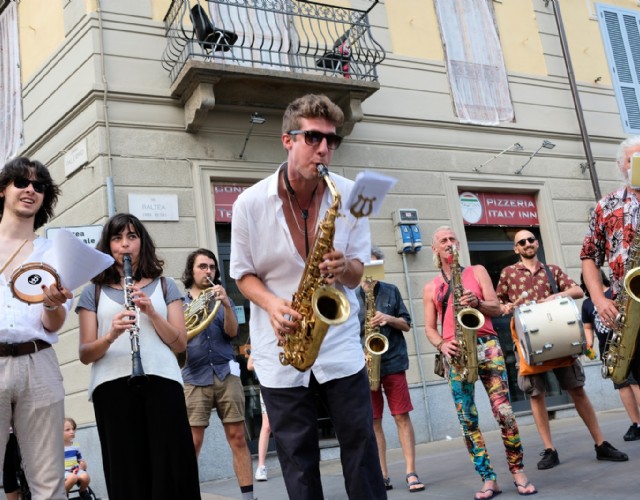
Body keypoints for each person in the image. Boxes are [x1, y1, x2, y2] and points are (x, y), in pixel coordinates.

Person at [230, 93, 385, 499]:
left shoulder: (356, 194)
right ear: (288, 140)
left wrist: (344, 267)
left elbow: (359, 271)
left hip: (338, 344)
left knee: (360, 445)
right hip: (280, 343)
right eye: (313, 138)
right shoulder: (247, 203)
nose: (323, 150)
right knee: (297, 457)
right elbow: (242, 274)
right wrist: (270, 304)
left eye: (331, 141)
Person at [77, 213, 201, 500]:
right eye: (117, 238)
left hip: (162, 381)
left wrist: (152, 312)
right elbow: (85, 353)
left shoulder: (166, 285)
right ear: (108, 246)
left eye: (132, 237)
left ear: (141, 242)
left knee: (171, 468)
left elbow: (180, 343)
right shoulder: (92, 291)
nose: (125, 245)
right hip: (112, 386)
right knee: (127, 471)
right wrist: (111, 335)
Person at [497, 229, 628, 470]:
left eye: (531, 240)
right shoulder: (507, 274)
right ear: (516, 248)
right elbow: (498, 304)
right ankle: (549, 449)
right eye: (521, 242)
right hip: (528, 344)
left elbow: (578, 290)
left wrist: (556, 295)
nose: (527, 243)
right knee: (537, 396)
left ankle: (601, 444)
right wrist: (505, 308)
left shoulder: (552, 270)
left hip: (558, 338)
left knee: (577, 390)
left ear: (536, 243)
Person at [423, 226, 537, 500]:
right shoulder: (431, 287)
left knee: (505, 412)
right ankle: (488, 478)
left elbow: (497, 308)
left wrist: (478, 302)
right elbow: (429, 328)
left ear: (458, 244)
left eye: (452, 239)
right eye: (443, 240)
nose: (449, 243)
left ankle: (518, 470)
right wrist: (441, 344)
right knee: (468, 421)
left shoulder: (477, 271)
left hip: (487, 346)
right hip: (456, 354)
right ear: (435, 249)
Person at [0, 157, 74, 499]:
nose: (30, 189)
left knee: (48, 480)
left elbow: (54, 323)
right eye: (21, 182)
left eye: (39, 186)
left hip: (38, 361)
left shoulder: (54, 253)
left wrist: (52, 305)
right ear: (3, 190)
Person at [180, 248, 255, 500]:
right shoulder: (180, 304)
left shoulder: (223, 299)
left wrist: (226, 304)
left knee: (238, 438)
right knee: (193, 442)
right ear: (191, 271)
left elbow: (232, 333)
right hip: (193, 375)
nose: (208, 271)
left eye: (211, 267)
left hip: (225, 373)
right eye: (202, 266)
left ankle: (247, 496)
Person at [581, 135, 640, 430]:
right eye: (633, 160)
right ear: (622, 166)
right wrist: (598, 298)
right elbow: (589, 256)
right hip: (627, 309)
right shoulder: (606, 206)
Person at [356, 245, 424, 492]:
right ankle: (382, 474)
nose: (370, 272)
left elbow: (406, 324)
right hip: (365, 366)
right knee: (373, 422)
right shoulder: (351, 296)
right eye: (365, 267)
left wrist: (389, 318)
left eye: (375, 266)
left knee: (401, 417)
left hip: (393, 361)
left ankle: (411, 472)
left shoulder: (391, 291)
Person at [580, 270, 640, 441]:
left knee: (635, 383)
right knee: (622, 386)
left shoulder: (614, 292)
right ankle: (636, 423)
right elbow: (587, 327)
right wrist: (589, 346)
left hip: (627, 345)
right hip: (609, 351)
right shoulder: (586, 304)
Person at [247, 352, 271, 482]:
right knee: (267, 425)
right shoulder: (260, 341)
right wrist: (267, 365)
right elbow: (249, 365)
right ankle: (261, 466)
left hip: (288, 384)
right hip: (268, 386)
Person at [63, 417, 91, 499]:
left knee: (86, 477)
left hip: (75, 469)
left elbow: (80, 459)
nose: (72, 431)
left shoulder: (75, 445)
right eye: (67, 430)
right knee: (72, 478)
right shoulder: (57, 448)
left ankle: (82, 491)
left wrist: (82, 463)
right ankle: (64, 493)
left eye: (73, 429)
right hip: (63, 472)